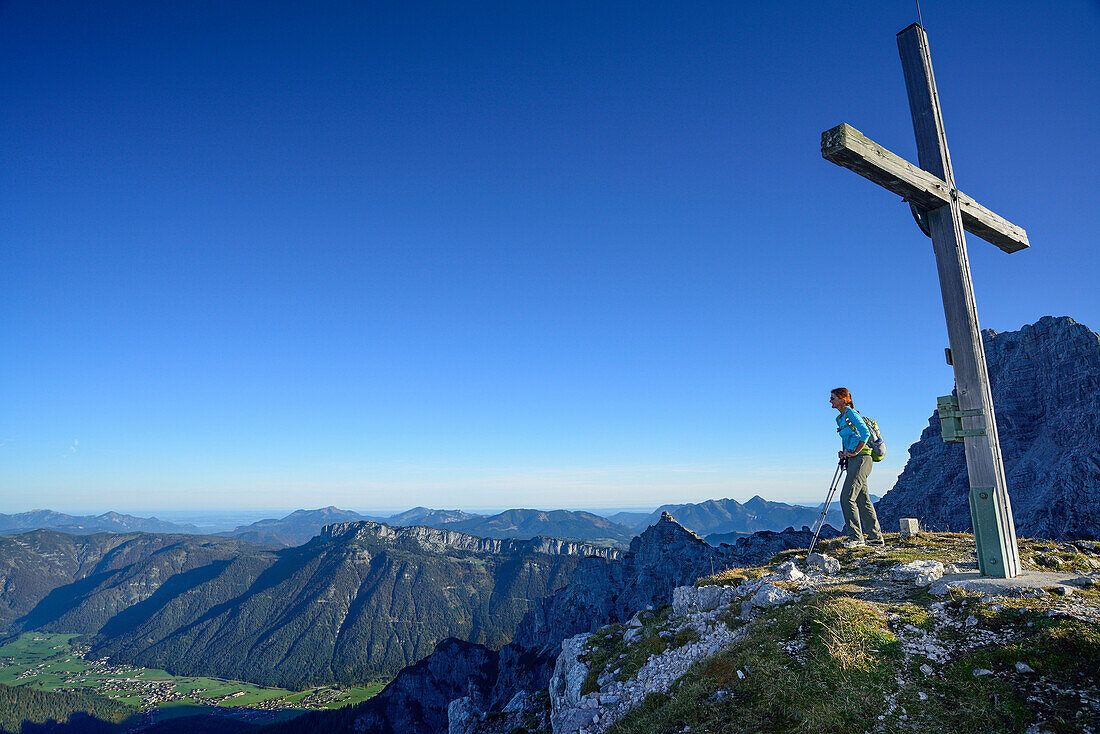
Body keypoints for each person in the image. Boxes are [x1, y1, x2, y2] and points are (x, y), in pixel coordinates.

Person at [829, 387, 883, 548]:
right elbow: (848, 438)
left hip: (862, 459)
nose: (830, 401)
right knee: (862, 499)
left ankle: (856, 538)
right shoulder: (839, 418)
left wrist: (856, 451)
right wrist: (844, 452)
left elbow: (864, 433)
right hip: (853, 459)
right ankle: (875, 537)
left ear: (842, 398)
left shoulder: (851, 413)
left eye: (833, 398)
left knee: (846, 497)